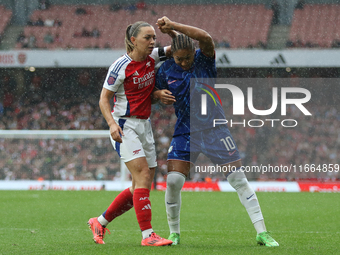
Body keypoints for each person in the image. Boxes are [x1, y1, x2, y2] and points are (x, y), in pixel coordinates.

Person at [152, 16, 279, 247]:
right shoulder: (165, 69)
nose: (183, 63)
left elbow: (206, 37)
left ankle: (262, 232)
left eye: (187, 58)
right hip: (185, 131)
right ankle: (174, 234)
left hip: (215, 129)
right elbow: (152, 95)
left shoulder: (204, 60)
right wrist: (157, 95)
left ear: (194, 53)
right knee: (172, 182)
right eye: (179, 59)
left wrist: (173, 26)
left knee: (238, 180)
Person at [87, 21, 174, 246]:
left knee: (141, 185)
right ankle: (148, 236)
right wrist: (111, 124)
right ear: (133, 40)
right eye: (147, 37)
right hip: (124, 125)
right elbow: (103, 98)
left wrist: (171, 29)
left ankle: (99, 221)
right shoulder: (120, 66)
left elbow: (180, 47)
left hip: (144, 125)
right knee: (143, 175)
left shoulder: (152, 57)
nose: (153, 41)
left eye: (154, 37)